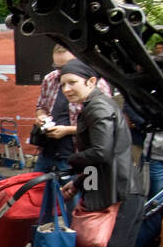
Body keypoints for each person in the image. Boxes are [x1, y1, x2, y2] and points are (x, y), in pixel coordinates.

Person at [48, 60, 143, 247]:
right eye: (63, 85)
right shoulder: (104, 105)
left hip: (115, 198)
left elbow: (100, 153)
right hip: (128, 192)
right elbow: (107, 158)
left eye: (72, 83)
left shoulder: (96, 108)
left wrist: (71, 163)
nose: (66, 89)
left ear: (91, 82)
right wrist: (78, 183)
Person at [33, 45, 112, 174]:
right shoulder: (50, 79)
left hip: (75, 153)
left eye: (66, 67)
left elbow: (102, 132)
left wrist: (67, 130)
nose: (66, 89)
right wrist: (42, 118)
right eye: (58, 67)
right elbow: (41, 106)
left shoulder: (97, 87)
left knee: (73, 190)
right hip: (48, 150)